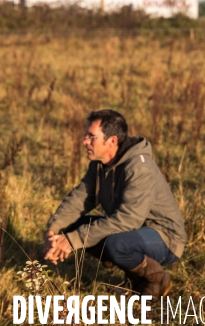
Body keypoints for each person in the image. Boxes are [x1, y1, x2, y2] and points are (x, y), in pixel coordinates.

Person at [43, 109, 187, 298]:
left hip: (165, 238)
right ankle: (134, 279)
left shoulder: (140, 167)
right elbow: (79, 200)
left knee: (117, 244)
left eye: (91, 137)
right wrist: (53, 231)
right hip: (132, 232)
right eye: (85, 135)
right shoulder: (99, 164)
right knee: (73, 225)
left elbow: (128, 220)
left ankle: (157, 280)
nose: (84, 141)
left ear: (111, 141)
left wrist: (73, 240)